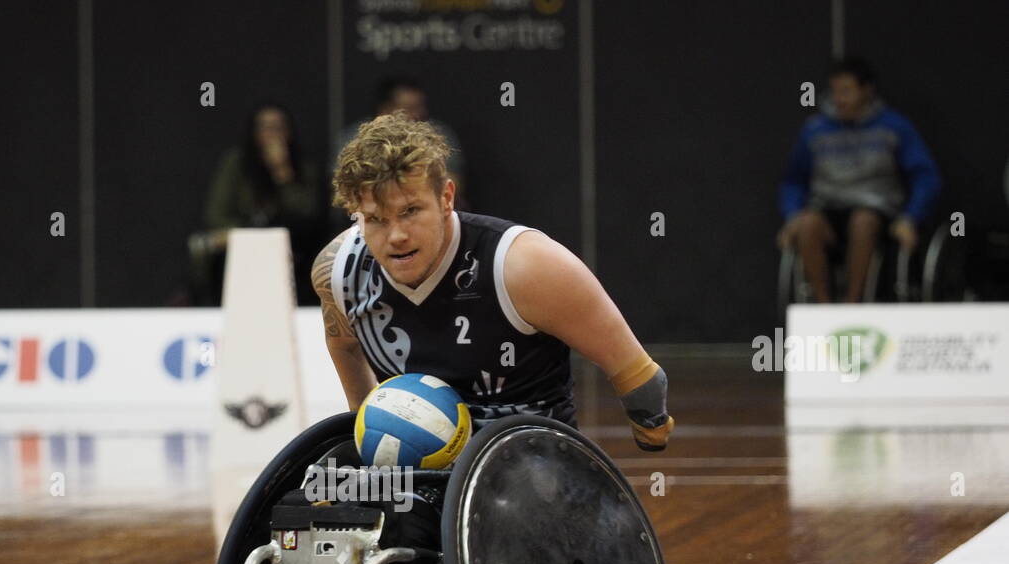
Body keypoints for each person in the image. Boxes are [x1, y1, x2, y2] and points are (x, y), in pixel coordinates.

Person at [311, 113, 672, 451]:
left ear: (446, 197)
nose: (396, 236)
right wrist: (366, 423)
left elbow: (636, 372)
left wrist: (652, 429)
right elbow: (343, 344)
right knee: (324, 491)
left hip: (529, 456)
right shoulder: (338, 270)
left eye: (410, 211)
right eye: (376, 219)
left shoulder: (526, 264)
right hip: (418, 461)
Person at [778, 57, 941, 303]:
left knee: (862, 221)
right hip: (827, 211)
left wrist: (911, 218)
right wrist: (792, 216)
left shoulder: (894, 127)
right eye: (835, 92)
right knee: (807, 224)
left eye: (847, 91)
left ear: (867, 90)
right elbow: (793, 180)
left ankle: (851, 306)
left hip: (877, 213)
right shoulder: (815, 130)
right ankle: (824, 310)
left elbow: (925, 176)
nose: (839, 99)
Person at [193, 103, 321, 303]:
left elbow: (307, 213)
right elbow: (216, 215)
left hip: (292, 249)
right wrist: (252, 236)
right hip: (242, 245)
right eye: (264, 127)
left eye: (277, 127)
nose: (271, 134)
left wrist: (283, 173)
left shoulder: (303, 166)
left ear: (288, 132)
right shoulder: (236, 163)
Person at [333, 76, 467, 202]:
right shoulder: (355, 138)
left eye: (420, 107)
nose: (417, 114)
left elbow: (452, 182)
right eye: (409, 108)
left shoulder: (438, 134)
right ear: (385, 109)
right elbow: (343, 188)